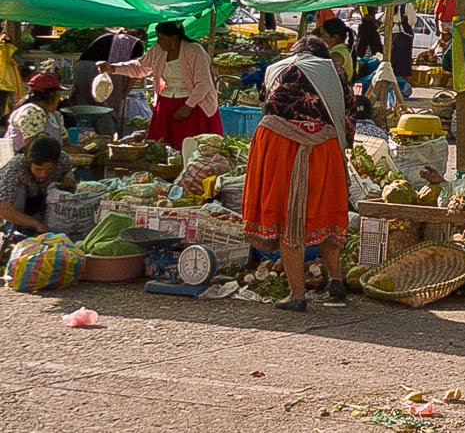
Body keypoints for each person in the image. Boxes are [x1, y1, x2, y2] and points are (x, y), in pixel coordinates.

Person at [243, 37, 351, 311]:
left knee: (287, 216)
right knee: (325, 212)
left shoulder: (276, 68)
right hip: (323, 148)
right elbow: (348, 118)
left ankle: (297, 294)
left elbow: (265, 105)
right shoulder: (335, 72)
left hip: (279, 144)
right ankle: (336, 278)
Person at [101, 21, 222, 151]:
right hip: (166, 102)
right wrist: (113, 68)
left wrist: (188, 106)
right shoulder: (157, 50)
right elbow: (140, 67)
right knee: (159, 145)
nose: (158, 41)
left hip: (194, 105)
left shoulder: (195, 51)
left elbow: (204, 83)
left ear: (174, 38)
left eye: (162, 38)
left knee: (190, 146)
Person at [72, 28, 141, 134]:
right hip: (102, 70)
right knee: (105, 108)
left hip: (81, 68)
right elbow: (133, 75)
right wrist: (122, 94)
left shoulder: (105, 36)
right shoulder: (136, 43)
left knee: (87, 107)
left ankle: (84, 137)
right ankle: (105, 139)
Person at [0, 137, 74, 235]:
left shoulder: (63, 159)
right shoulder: (14, 168)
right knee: (19, 191)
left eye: (49, 170)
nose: (43, 174)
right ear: (28, 161)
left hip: (45, 201)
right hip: (22, 205)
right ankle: (12, 235)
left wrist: (69, 176)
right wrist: (35, 224)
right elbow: (4, 209)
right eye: (38, 169)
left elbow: (69, 173)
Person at [6, 73, 65, 154]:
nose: (60, 100)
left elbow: (65, 144)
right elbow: (36, 151)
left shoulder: (55, 116)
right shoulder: (31, 112)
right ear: (50, 96)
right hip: (24, 163)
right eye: (59, 95)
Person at [318, 17, 356, 84]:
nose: (321, 39)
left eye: (324, 36)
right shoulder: (344, 50)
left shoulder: (337, 55)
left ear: (335, 37)